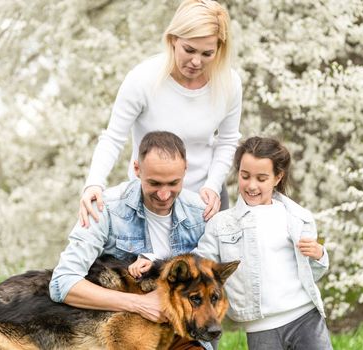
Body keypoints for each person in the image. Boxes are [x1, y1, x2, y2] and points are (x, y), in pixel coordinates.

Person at [79, 0, 242, 227]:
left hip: (205, 200)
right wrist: (94, 183)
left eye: (207, 53)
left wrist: (212, 186)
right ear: (173, 39)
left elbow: (227, 141)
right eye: (189, 50)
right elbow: (113, 138)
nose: (196, 61)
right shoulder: (143, 79)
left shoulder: (229, 83)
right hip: (150, 198)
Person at [50, 131, 210, 350]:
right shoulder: (105, 208)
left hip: (180, 333)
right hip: (121, 335)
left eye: (173, 183)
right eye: (154, 183)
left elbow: (212, 275)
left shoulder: (201, 213)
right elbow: (63, 283)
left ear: (185, 170)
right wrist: (140, 304)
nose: (164, 195)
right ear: (137, 169)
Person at [195, 136, 332, 349]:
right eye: (245, 176)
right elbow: (200, 265)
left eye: (261, 178)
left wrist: (319, 254)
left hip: (305, 317)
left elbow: (312, 273)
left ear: (278, 177)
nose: (251, 185)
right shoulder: (221, 224)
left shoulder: (297, 217)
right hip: (260, 326)